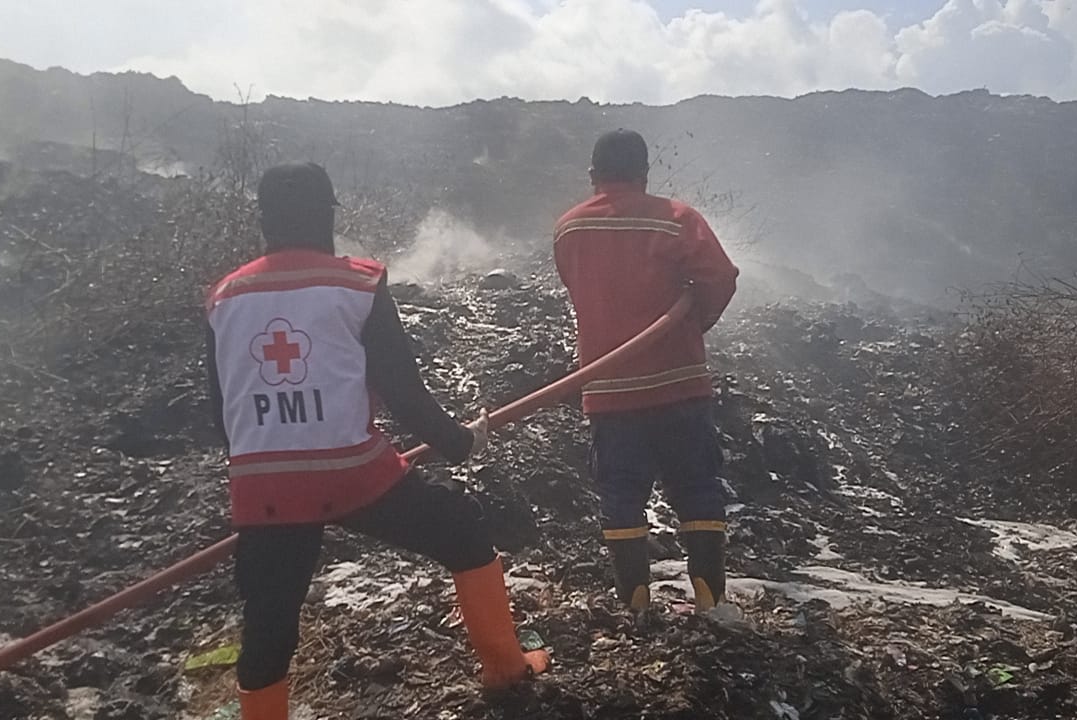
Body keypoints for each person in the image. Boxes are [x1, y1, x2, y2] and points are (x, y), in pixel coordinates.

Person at [205, 163, 548, 720]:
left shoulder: (224, 296)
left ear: (264, 222)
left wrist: (265, 466)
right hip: (353, 475)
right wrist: (460, 443)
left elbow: (221, 410)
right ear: (327, 217)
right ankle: (507, 671)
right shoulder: (358, 283)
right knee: (462, 528)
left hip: (262, 486)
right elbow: (403, 393)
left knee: (269, 621)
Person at [552, 129, 740, 612]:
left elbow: (579, 289)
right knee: (696, 486)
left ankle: (635, 603)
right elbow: (721, 275)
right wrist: (693, 320)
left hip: (610, 391)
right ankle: (710, 601)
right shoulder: (676, 219)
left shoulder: (569, 230)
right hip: (679, 384)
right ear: (644, 173)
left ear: (593, 175)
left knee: (621, 492)